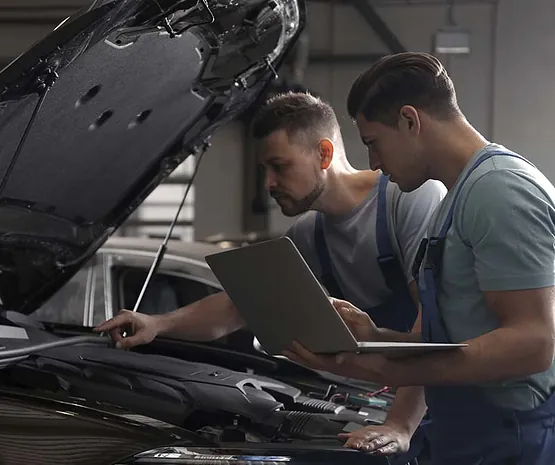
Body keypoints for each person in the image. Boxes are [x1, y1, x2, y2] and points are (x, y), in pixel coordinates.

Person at [95, 92, 446, 457]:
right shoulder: (310, 234)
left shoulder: (408, 200)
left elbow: (433, 329)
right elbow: (238, 307)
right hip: (386, 399)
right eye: (265, 169)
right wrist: (156, 324)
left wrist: (399, 425)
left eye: (280, 166)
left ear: (323, 154)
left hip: (445, 409)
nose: (269, 183)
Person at [284, 52, 555, 464]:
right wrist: (374, 339)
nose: (373, 163)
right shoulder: (456, 198)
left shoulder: (499, 191)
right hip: (465, 435)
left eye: (373, 142)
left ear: (410, 121)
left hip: (513, 441)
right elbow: (463, 331)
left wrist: (388, 371)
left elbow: (534, 343)